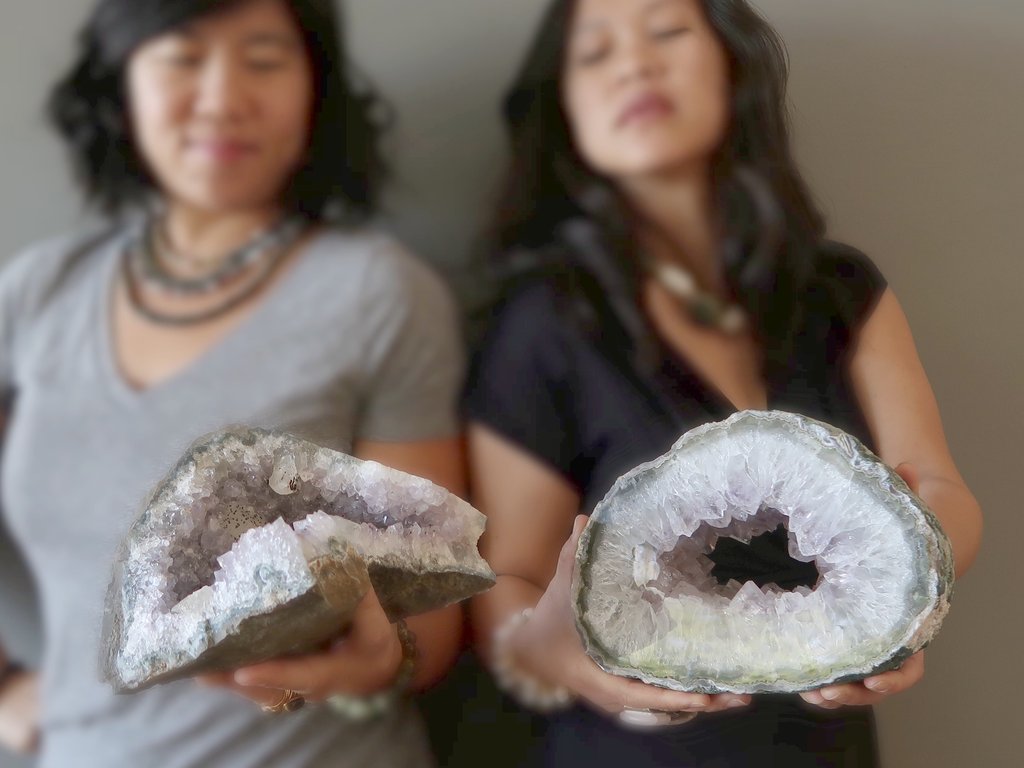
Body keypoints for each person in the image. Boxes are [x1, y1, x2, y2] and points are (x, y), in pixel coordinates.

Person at [464, 0, 984, 766]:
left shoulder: (841, 289)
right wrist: (575, 663)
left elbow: (938, 483)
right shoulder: (543, 323)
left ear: (732, 66)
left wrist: (908, 598)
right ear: (564, 110)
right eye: (596, 53)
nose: (635, 62)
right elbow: (504, 582)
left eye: (667, 31)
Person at [0, 1, 466, 766]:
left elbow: (430, 619)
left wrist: (383, 657)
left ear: (315, 90)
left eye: (263, 59)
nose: (222, 97)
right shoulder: (39, 293)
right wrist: (7, 689)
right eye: (183, 58)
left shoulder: (378, 293)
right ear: (120, 88)